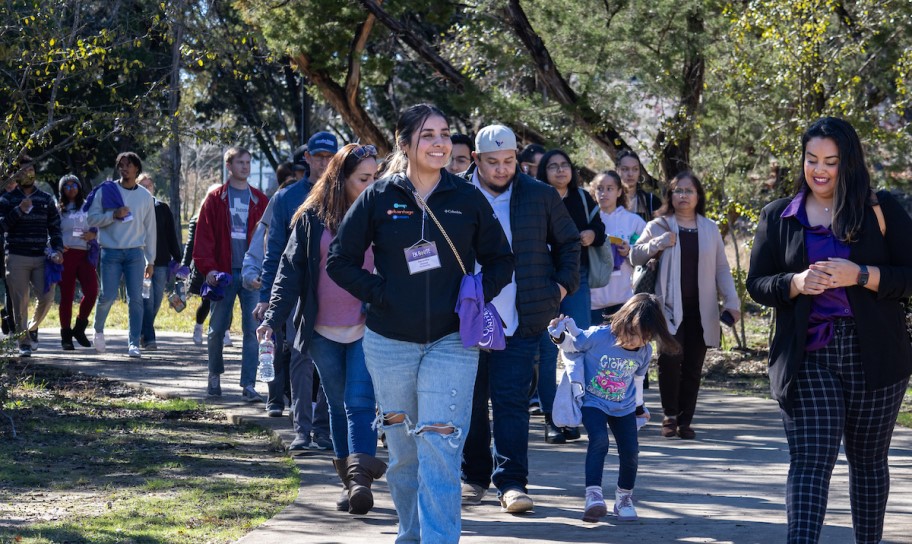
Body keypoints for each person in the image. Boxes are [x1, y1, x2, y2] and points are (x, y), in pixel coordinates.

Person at [327, 104, 514, 543]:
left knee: (440, 445)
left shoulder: (466, 197)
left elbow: (503, 260)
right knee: (405, 452)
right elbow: (340, 261)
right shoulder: (379, 196)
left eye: (445, 134)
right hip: (389, 342)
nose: (440, 143)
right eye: (428, 134)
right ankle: (410, 534)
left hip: (452, 341)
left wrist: (475, 297)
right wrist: (381, 294)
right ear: (405, 143)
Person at [746, 117, 912, 544]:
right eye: (811, 159)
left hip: (875, 355)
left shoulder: (881, 208)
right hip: (808, 356)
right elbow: (758, 283)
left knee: (868, 461)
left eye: (831, 161)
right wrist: (795, 283)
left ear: (848, 163)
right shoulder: (779, 216)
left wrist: (860, 274)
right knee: (810, 461)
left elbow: (908, 275)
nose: (819, 170)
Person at [459, 125, 580, 513]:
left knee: (511, 401)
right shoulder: (454, 193)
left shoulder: (540, 195)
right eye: (492, 162)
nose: (501, 169)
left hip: (521, 316)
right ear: (476, 159)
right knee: (471, 402)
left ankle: (511, 484)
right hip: (465, 318)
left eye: (508, 161)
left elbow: (569, 243)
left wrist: (558, 290)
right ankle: (473, 477)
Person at [259, 143, 382, 514]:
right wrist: (272, 318)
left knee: (360, 403)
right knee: (338, 404)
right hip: (322, 331)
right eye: (364, 178)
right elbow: (289, 271)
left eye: (376, 177)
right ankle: (350, 481)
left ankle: (360, 482)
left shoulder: (383, 213)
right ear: (340, 178)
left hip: (368, 326)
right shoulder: (311, 217)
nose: (372, 184)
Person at [548, 293, 680, 522]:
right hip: (593, 401)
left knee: (631, 452)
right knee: (599, 440)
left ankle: (624, 498)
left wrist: (639, 408)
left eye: (642, 337)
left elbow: (638, 381)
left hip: (624, 406)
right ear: (622, 321)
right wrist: (558, 336)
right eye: (630, 332)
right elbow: (572, 344)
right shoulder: (600, 336)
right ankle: (593, 496)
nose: (633, 341)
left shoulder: (644, 352)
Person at [630, 171, 740, 439]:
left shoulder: (709, 228)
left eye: (689, 191)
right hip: (667, 307)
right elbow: (634, 256)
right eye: (678, 190)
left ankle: (685, 420)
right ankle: (669, 415)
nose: (683, 195)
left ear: (698, 196)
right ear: (670, 195)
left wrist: (732, 302)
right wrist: (658, 243)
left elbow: (722, 269)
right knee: (669, 359)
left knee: (693, 364)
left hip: (702, 309)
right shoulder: (659, 225)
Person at [254, 131, 335, 449]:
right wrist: (265, 299)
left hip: (335, 292)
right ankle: (302, 431)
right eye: (319, 157)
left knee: (330, 361)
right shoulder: (287, 198)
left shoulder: (346, 195)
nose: (324, 163)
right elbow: (274, 253)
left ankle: (324, 429)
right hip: (298, 291)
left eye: (330, 157)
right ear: (308, 159)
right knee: (300, 359)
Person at [536, 148, 607, 444]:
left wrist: (591, 234)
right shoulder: (534, 196)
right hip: (541, 280)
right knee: (547, 350)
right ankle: (552, 419)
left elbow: (600, 231)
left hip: (576, 278)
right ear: (544, 172)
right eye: (553, 166)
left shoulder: (582, 198)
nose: (560, 171)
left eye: (565, 165)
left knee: (577, 348)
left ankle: (573, 415)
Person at [193, 147, 268, 400]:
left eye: (248, 162)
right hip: (222, 274)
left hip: (251, 276)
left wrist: (264, 270)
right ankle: (214, 374)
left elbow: (269, 238)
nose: (245, 167)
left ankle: (248, 385)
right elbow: (203, 237)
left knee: (252, 330)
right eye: (240, 162)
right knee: (215, 330)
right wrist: (209, 269)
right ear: (229, 165)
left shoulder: (260, 200)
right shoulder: (215, 198)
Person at [86, 152, 157, 358]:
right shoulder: (107, 191)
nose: (124, 169)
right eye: (121, 166)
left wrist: (150, 260)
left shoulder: (144, 196)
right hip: (110, 252)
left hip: (135, 253)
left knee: (136, 299)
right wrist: (113, 215)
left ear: (137, 169)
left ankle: (133, 342)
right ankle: (98, 330)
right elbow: (92, 218)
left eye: (129, 165)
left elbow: (150, 229)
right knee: (107, 296)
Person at [0, 155, 64, 357]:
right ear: (15, 174)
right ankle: (24, 342)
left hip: (41, 257)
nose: (27, 173)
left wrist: (58, 250)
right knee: (19, 301)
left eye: (30, 169)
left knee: (47, 297)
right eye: (21, 170)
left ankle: (32, 326)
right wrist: (19, 210)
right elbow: (2, 226)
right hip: (16, 256)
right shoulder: (7, 199)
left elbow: (55, 228)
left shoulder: (45, 199)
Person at [588, 170, 646, 323]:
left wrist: (630, 250)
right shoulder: (587, 220)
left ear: (619, 191)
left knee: (623, 345)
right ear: (594, 191)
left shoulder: (633, 221)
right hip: (593, 300)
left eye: (610, 188)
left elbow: (647, 251)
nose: (604, 193)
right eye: (600, 188)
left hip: (624, 298)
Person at [137, 173, 182, 350]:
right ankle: (149, 337)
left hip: (162, 262)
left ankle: (141, 330)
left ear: (153, 188)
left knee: (156, 302)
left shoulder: (162, 208)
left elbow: (171, 234)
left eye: (149, 185)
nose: (147, 188)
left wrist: (178, 258)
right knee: (147, 300)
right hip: (142, 262)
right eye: (143, 185)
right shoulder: (135, 207)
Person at [57, 174, 98, 350]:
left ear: (79, 187)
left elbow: (99, 225)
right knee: (66, 296)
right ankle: (66, 335)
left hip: (84, 254)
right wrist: (57, 246)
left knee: (92, 291)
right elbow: (52, 230)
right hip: (66, 256)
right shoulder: (59, 209)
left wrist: (94, 235)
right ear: (62, 190)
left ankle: (79, 327)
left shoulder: (88, 207)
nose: (71, 189)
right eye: (67, 186)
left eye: (74, 185)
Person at [616, 149, 662, 222]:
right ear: (617, 170)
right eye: (625, 169)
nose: (630, 174)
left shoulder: (651, 201)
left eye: (635, 169)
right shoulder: (609, 199)